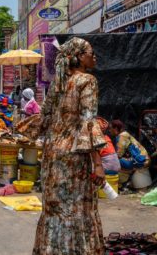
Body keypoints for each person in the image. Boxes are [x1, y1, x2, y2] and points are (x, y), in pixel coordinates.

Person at [32, 37, 106, 254]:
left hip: (52, 154)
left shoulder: (59, 82)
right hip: (75, 156)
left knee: (55, 209)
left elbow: (44, 117)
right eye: (90, 53)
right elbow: (88, 120)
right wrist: (98, 163)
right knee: (76, 209)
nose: (94, 57)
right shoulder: (87, 81)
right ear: (79, 57)